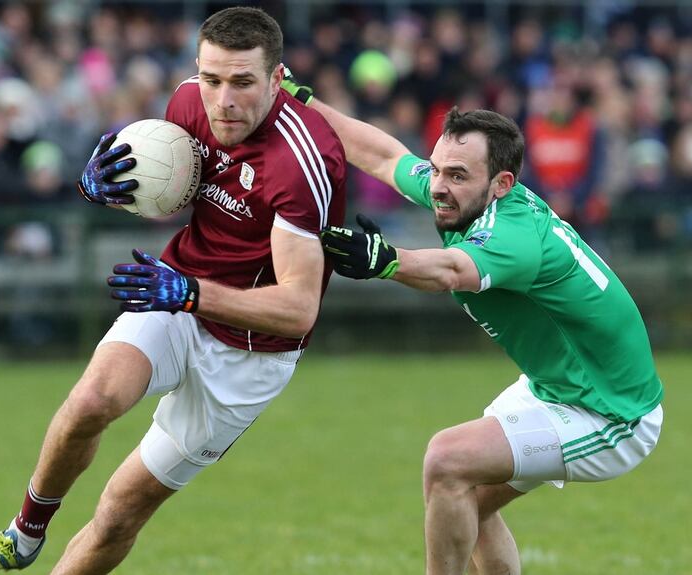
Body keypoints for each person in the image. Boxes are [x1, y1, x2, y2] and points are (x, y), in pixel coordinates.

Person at [0, 7, 346, 574]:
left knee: (120, 513)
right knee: (92, 401)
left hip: (250, 352)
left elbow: (299, 308)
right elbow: (169, 193)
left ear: (277, 80)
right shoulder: (185, 105)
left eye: (243, 83)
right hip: (177, 298)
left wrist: (192, 292)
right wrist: (104, 189)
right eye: (211, 79)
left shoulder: (302, 162)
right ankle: (20, 539)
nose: (222, 100)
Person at [283, 76, 664, 575]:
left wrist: (385, 259)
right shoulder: (465, 192)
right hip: (555, 386)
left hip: (612, 413)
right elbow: (380, 155)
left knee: (447, 462)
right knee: (461, 500)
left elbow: (452, 271)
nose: (438, 185)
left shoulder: (512, 234)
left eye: (456, 175)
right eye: (437, 169)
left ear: (501, 183)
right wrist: (304, 103)